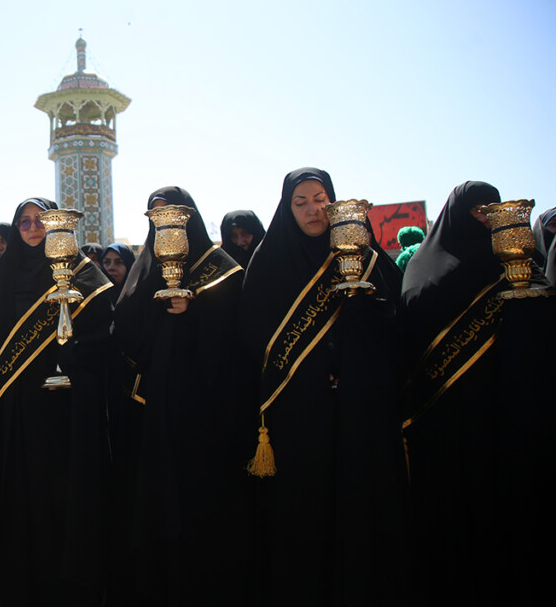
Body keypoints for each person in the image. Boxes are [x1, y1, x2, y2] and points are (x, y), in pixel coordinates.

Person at [241, 168, 409, 606]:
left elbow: (396, 321)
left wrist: (362, 322)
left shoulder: (363, 255)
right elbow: (256, 337)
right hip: (299, 413)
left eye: (321, 199)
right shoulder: (269, 261)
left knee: (359, 507)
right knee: (305, 516)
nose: (313, 210)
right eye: (301, 203)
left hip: (359, 409)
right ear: (287, 208)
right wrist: (314, 370)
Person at [400, 182, 555, 604]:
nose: (483, 220)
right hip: (449, 420)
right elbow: (414, 324)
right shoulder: (424, 269)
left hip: (509, 412)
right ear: (455, 215)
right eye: (474, 211)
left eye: (490, 211)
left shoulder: (518, 262)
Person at [0, 198, 113, 606]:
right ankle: (20, 580)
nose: (33, 228)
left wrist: (74, 362)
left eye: (40, 221)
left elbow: (103, 333)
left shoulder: (83, 275)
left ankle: (66, 584)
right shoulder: (1, 274)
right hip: (15, 408)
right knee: (20, 497)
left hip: (63, 410)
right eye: (25, 222)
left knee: (60, 499)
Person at [110, 187, 251, 604]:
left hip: (201, 415)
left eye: (174, 213)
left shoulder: (220, 270)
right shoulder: (145, 270)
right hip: (146, 412)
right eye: (157, 216)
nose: (166, 223)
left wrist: (194, 314)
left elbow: (234, 341)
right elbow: (125, 331)